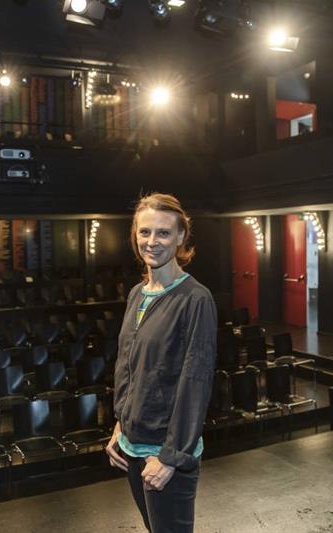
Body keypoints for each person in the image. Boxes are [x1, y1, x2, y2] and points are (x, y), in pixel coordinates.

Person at [106, 192, 217, 533]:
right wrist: (120, 425)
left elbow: (194, 381)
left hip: (165, 454)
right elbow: (130, 367)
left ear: (181, 236)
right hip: (132, 446)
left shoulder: (195, 299)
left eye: (163, 233)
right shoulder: (137, 294)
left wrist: (171, 456)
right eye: (144, 232)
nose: (151, 242)